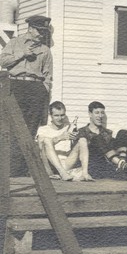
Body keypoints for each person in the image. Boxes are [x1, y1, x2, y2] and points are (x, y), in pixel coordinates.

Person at [0, 15, 53, 175]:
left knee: (30, 129)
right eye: (39, 31)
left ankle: (21, 170)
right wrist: (22, 54)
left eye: (44, 32)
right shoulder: (15, 43)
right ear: (30, 28)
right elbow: (2, 61)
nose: (41, 35)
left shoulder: (45, 50)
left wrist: (44, 93)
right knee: (10, 126)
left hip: (35, 89)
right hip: (16, 86)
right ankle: (7, 170)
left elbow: (48, 76)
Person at [77, 101, 127, 180]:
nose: (100, 116)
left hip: (108, 165)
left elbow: (114, 149)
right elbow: (77, 152)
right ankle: (124, 166)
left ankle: (123, 166)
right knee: (97, 138)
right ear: (90, 114)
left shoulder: (108, 133)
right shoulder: (81, 132)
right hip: (93, 165)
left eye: (102, 113)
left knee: (123, 132)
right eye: (97, 113)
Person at [36, 101, 93, 182]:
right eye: (56, 115)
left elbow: (81, 143)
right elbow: (40, 147)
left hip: (66, 164)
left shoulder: (69, 127)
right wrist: (60, 137)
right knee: (46, 140)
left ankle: (85, 173)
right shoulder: (43, 129)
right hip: (50, 167)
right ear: (51, 115)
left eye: (62, 115)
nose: (60, 118)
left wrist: (76, 137)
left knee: (82, 140)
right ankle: (63, 173)